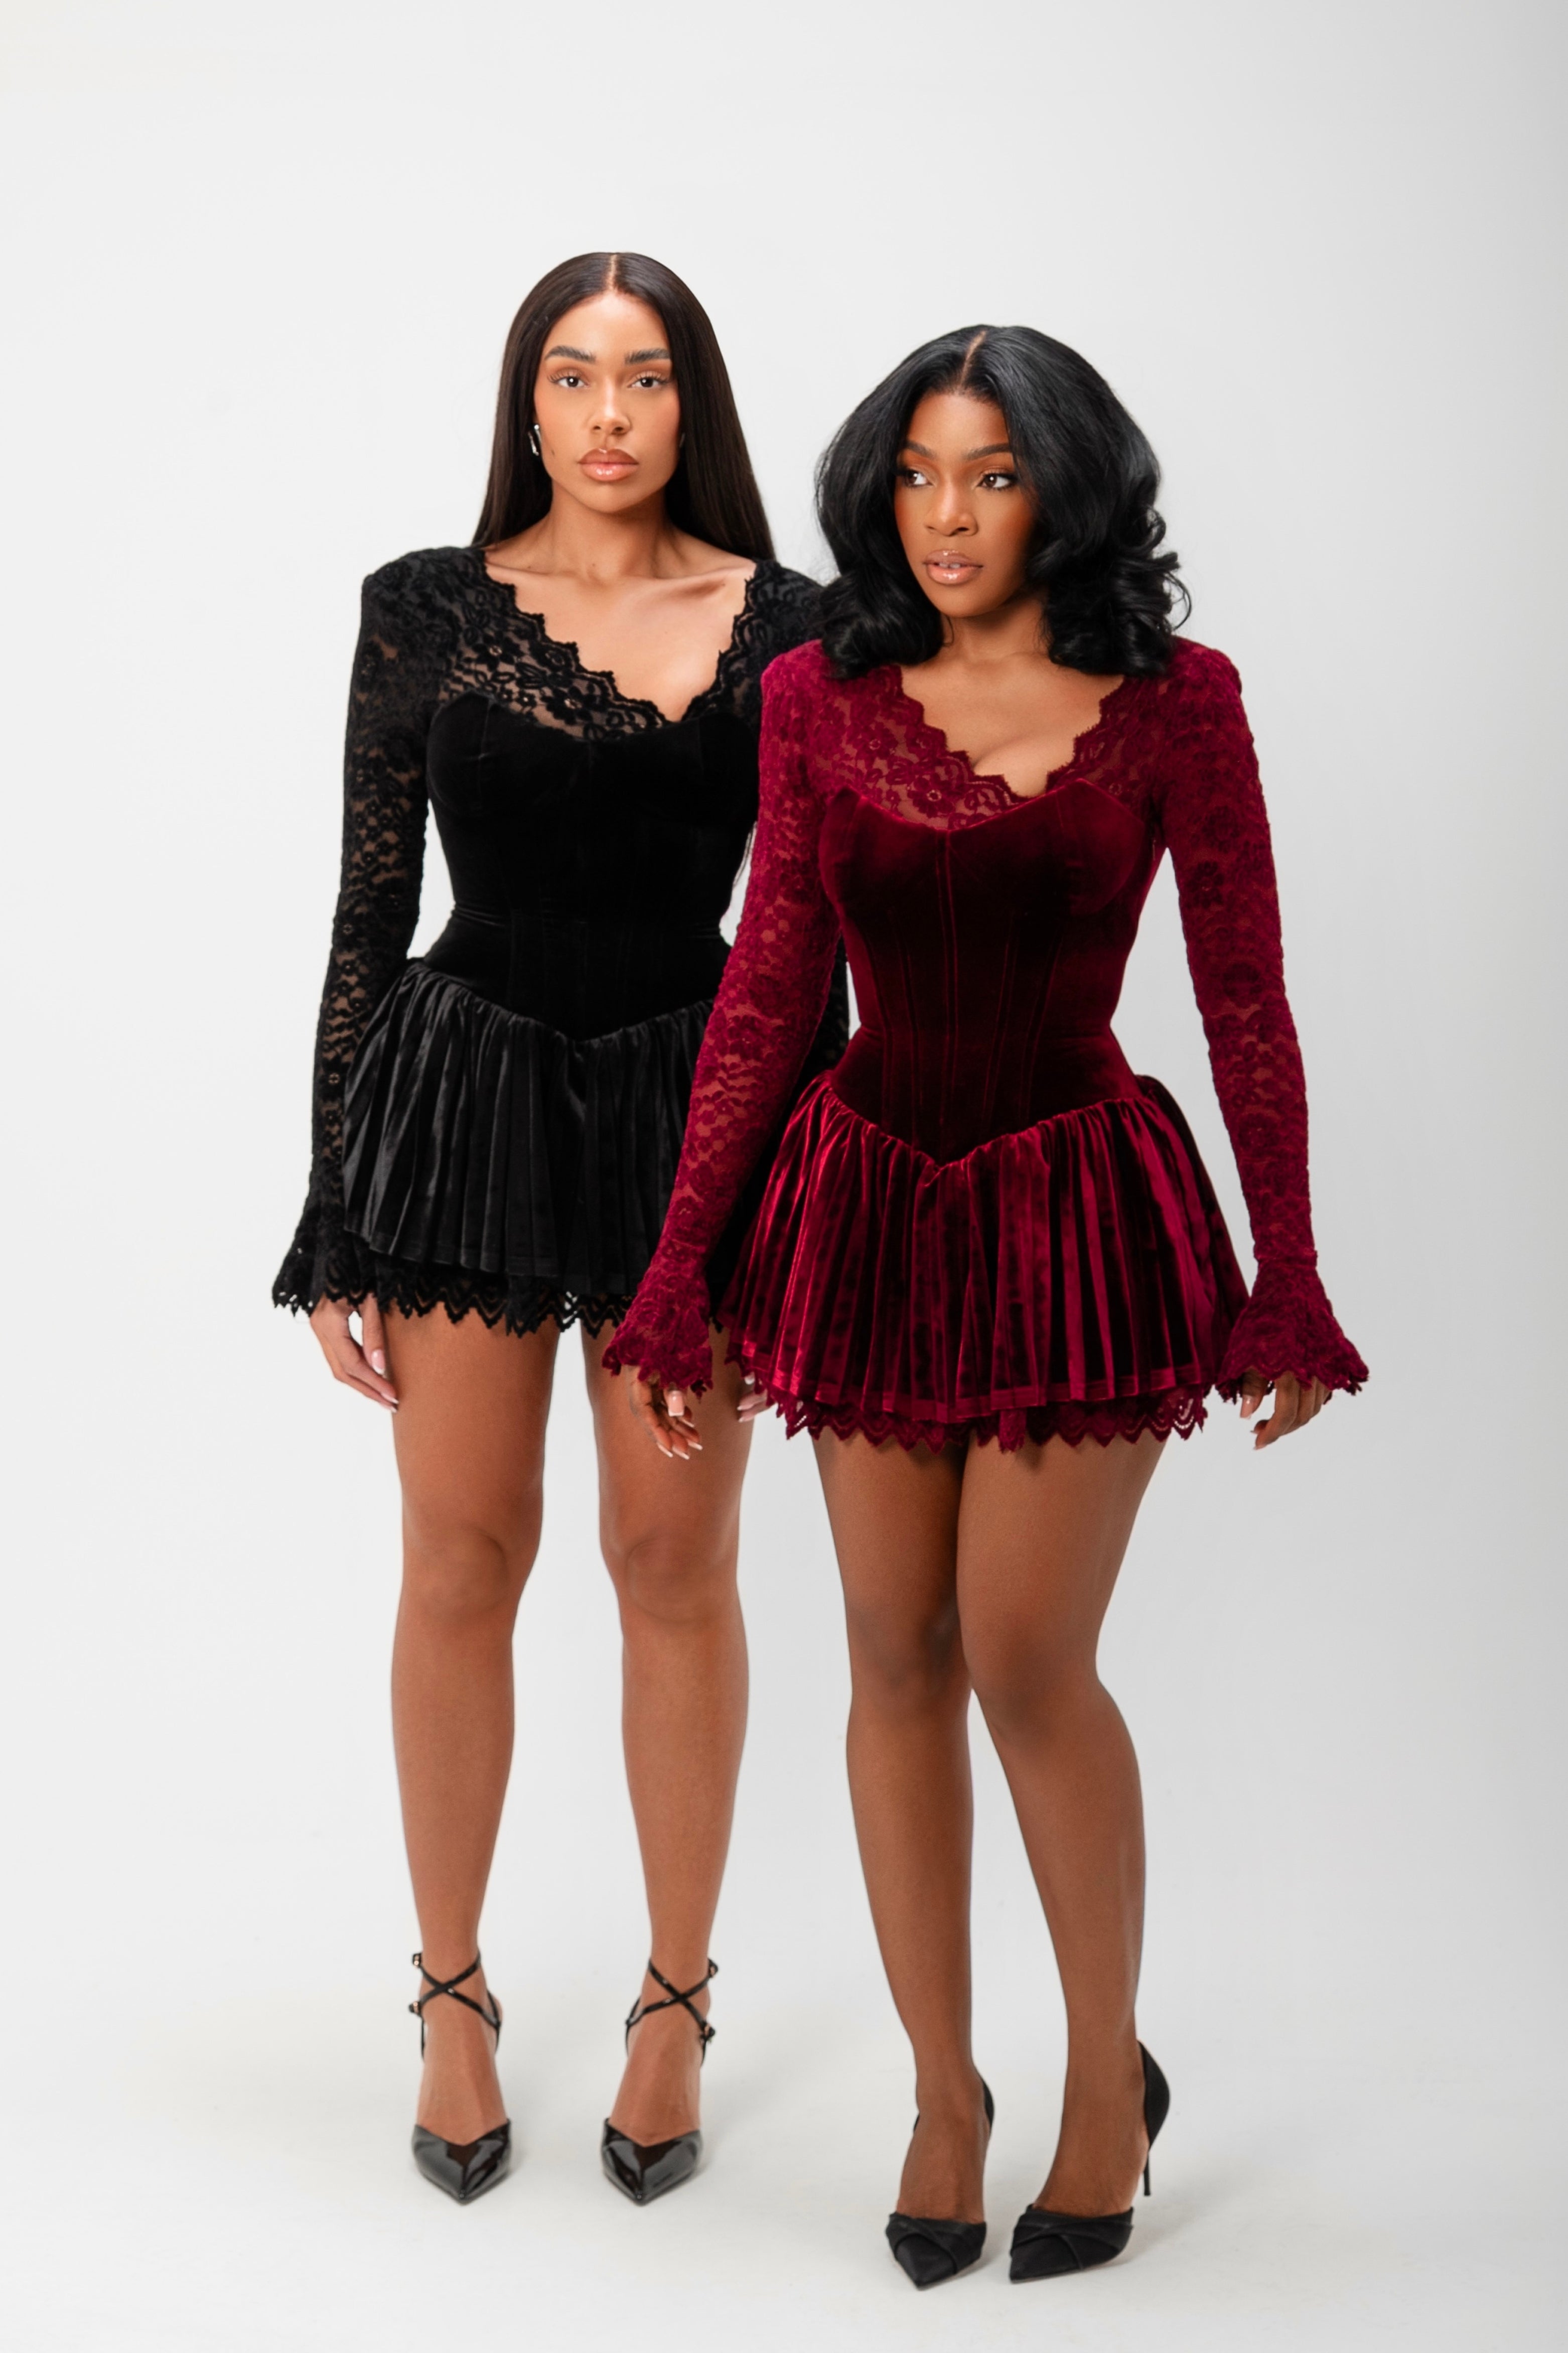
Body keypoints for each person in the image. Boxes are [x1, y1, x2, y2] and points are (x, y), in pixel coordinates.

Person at [607, 324, 1366, 2285]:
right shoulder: (813, 696)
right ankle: (943, 2092)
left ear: (1067, 492)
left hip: (1073, 1207)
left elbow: (1244, 996)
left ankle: (1104, 2082)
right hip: (864, 1203)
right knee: (892, 1648)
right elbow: (767, 991)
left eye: (996, 476)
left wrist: (1286, 1273)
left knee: (1026, 1655)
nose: (948, 516)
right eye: (921, 475)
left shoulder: (1180, 701)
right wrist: (680, 1267)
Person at [274, 251, 843, 2206]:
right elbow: (367, 911)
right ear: (527, 399)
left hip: (702, 1108)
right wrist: (332, 1206)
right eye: (576, 374)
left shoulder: (797, 628)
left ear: (694, 403)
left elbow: (809, 938)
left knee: (672, 1557)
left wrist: (795, 1196)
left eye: (648, 375)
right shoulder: (422, 608)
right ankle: (451, 1991)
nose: (611, 412)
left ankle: (676, 1996)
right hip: (466, 1100)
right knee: (461, 1553)